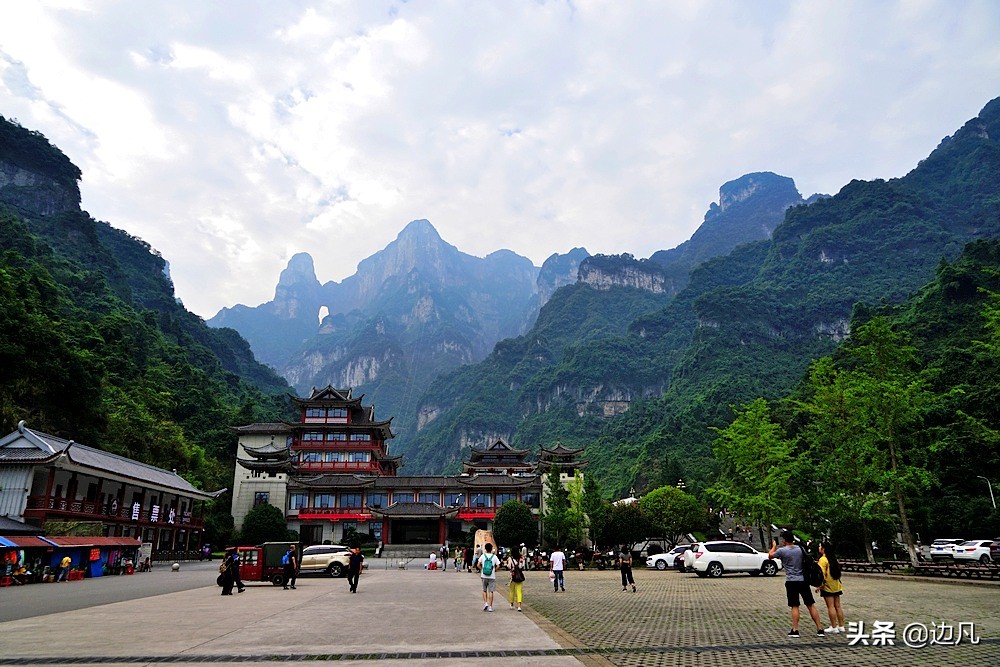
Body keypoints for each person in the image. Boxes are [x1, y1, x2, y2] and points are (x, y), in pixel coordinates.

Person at [769, 530, 825, 638]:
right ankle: (820, 628)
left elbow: (770, 556)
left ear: (784, 540)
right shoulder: (800, 549)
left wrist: (774, 546)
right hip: (803, 580)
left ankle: (795, 630)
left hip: (791, 581)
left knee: (795, 605)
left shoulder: (782, 551)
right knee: (810, 604)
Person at [816, 541, 845, 633]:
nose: (819, 548)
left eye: (820, 546)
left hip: (827, 586)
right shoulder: (833, 558)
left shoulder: (823, 560)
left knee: (830, 606)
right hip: (836, 585)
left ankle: (834, 626)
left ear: (823, 549)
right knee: (838, 606)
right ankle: (841, 626)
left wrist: (819, 585)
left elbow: (821, 574)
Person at [475, 543, 501, 612]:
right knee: (491, 591)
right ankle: (490, 607)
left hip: (484, 575)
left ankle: (485, 603)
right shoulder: (494, 556)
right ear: (491, 549)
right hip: (492, 576)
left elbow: (478, 565)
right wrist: (494, 570)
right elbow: (498, 565)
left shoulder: (483, 556)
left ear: (485, 549)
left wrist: (482, 569)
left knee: (484, 590)